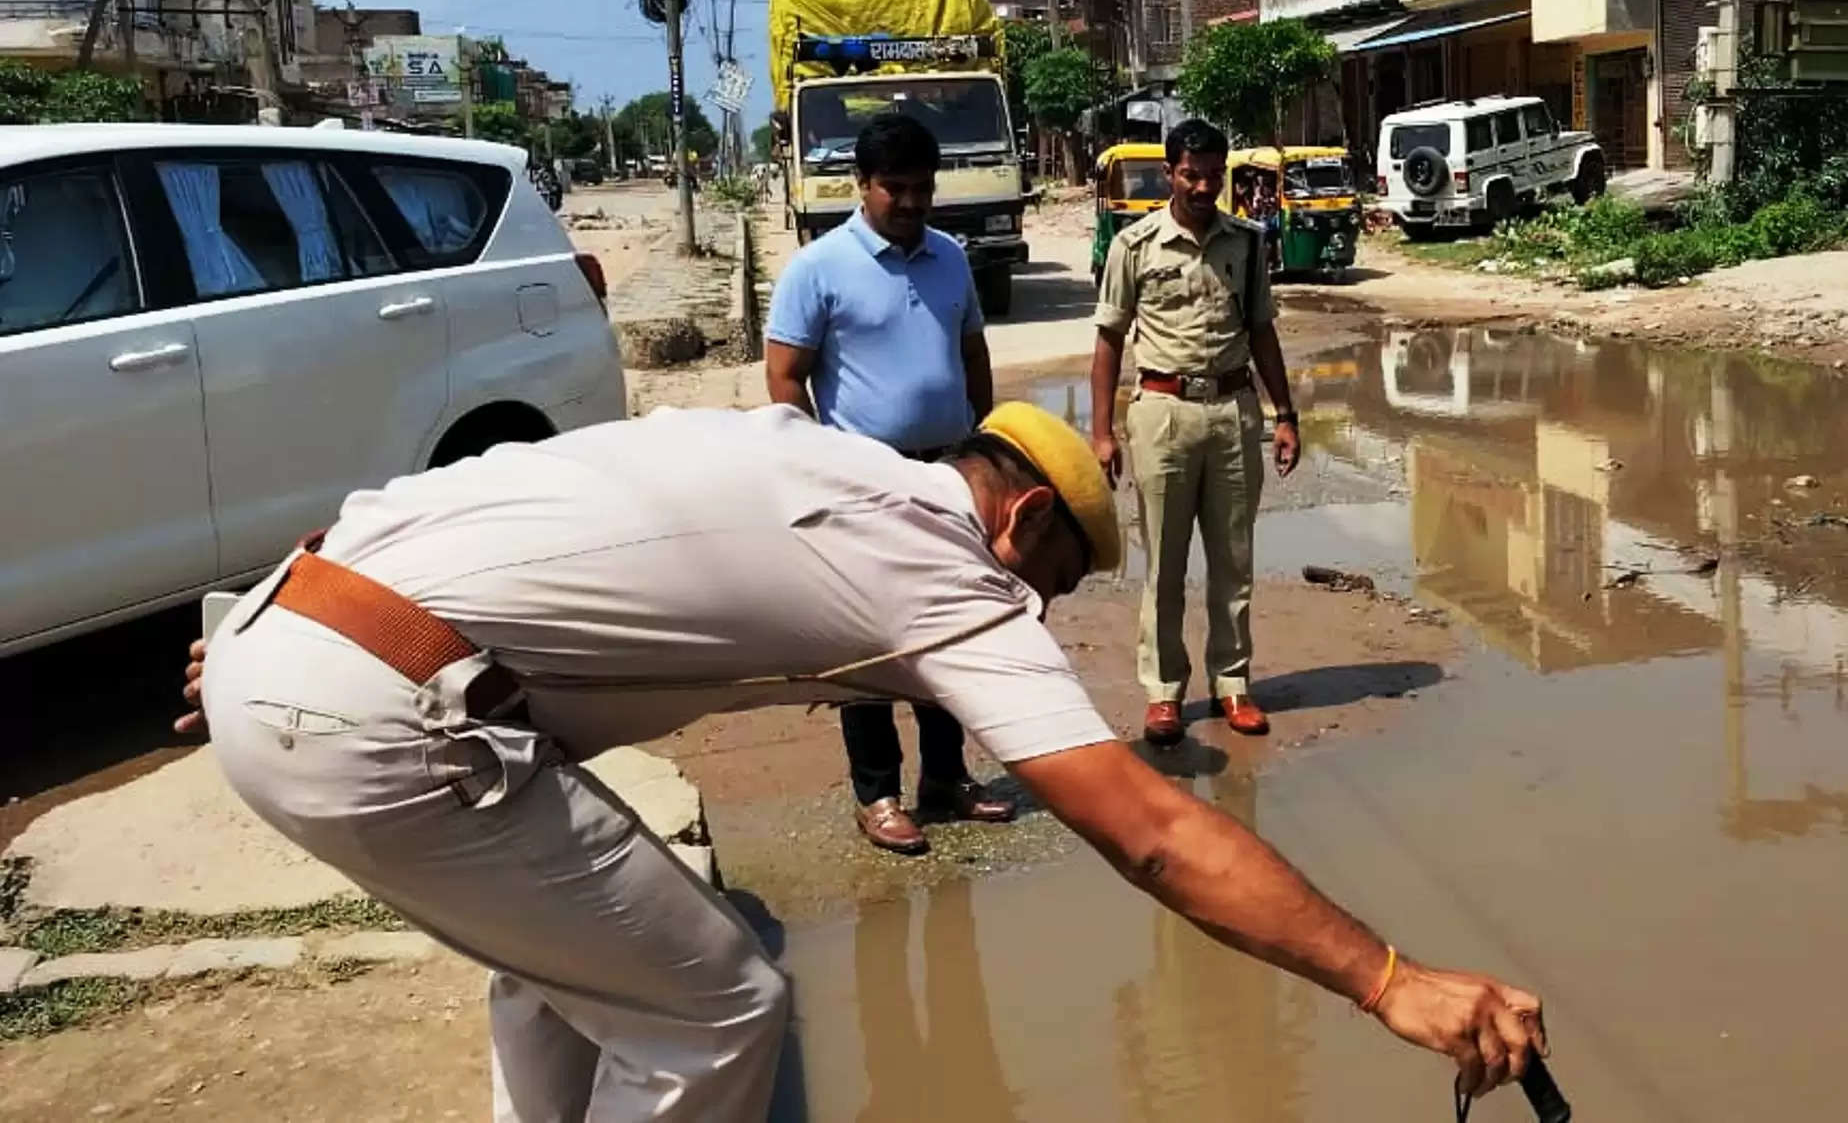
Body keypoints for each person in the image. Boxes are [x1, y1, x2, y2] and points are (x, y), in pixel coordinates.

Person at [179, 402, 1546, 1120]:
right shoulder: (942, 574)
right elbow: (1151, 832)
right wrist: (1387, 978)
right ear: (1014, 526)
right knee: (718, 1004)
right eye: (1055, 586)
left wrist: (284, 636)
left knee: (573, 971)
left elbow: (487, 499)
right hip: (376, 709)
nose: (1042, 622)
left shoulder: (807, 458)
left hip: (296, 631)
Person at [765, 109, 1015, 857]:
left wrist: (981, 446)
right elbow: (783, 378)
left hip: (946, 474)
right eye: (894, 188)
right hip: (859, 481)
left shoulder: (949, 258)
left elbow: (972, 355)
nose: (909, 203)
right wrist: (822, 468)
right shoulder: (818, 267)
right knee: (872, 645)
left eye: (921, 189)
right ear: (861, 185)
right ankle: (877, 791)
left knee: (945, 631)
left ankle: (946, 777)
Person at [1090, 118, 1301, 747]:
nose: (1204, 186)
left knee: (1234, 560)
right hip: (1162, 415)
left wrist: (1284, 414)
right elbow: (1107, 339)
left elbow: (1262, 330)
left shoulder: (1248, 242)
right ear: (1169, 172)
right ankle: (1163, 694)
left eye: (1214, 174)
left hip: (1235, 413)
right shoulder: (1134, 245)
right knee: (1166, 562)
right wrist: (1102, 433)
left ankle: (1233, 684)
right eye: (1192, 174)